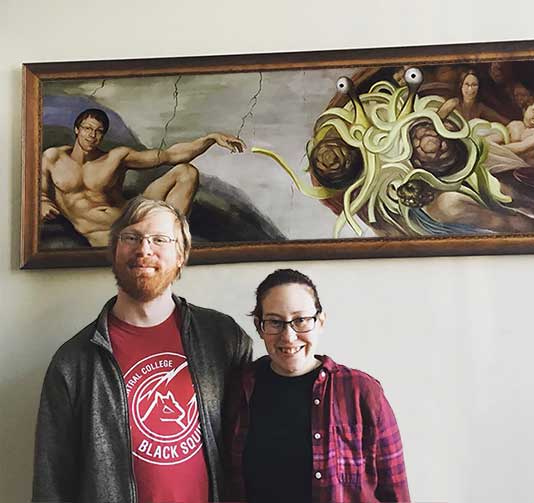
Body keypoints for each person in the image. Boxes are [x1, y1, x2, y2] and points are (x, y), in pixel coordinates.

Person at [32, 196, 253, 503]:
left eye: (159, 239)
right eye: (131, 237)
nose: (144, 249)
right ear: (114, 251)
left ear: (181, 255)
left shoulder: (224, 339)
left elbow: (251, 445)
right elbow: (51, 480)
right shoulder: (73, 362)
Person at [225, 269, 410, 503]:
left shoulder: (361, 392)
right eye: (275, 322)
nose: (288, 336)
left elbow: (395, 491)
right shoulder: (239, 390)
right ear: (259, 327)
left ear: (320, 321)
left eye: (301, 320)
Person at [41, 108, 246, 247]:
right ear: (77, 130)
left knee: (186, 172)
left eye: (99, 131)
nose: (92, 135)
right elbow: (38, 190)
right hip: (103, 232)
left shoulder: (116, 157)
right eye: (87, 129)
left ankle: (169, 237)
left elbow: (170, 155)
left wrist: (210, 139)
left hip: (132, 213)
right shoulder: (53, 158)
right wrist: (42, 202)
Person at [437, 69, 508, 123]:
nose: (470, 89)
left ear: (479, 88)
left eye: (474, 85)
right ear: (461, 86)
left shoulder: (480, 107)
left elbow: (502, 120)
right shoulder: (453, 103)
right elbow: (436, 121)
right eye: (467, 84)